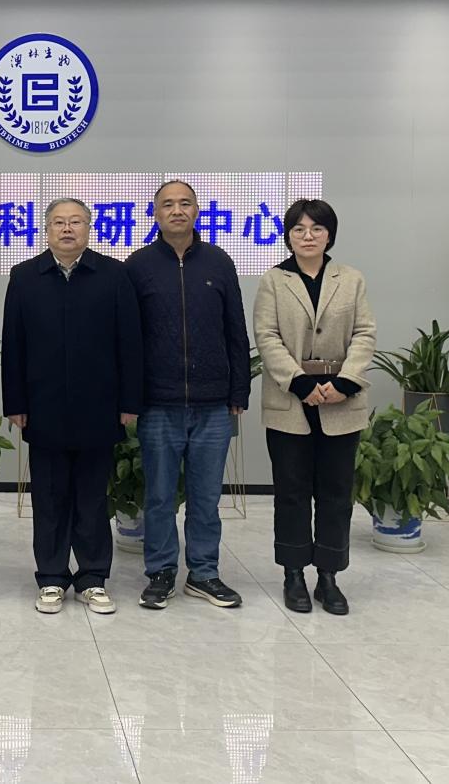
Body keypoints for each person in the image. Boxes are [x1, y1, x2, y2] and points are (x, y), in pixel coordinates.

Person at [2, 198, 143, 616]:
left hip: (99, 406)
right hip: (42, 406)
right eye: (59, 223)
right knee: (49, 497)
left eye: (76, 222)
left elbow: (129, 343)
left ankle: (93, 578)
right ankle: (51, 577)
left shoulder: (114, 275)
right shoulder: (25, 276)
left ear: (88, 228)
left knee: (93, 498)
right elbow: (14, 346)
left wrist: (129, 402)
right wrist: (15, 402)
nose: (67, 229)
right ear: (46, 230)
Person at [126, 179, 251, 611]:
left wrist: (238, 390)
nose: (176, 210)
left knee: (206, 499)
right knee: (159, 497)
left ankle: (203, 573)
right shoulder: (138, 266)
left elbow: (236, 330)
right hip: (157, 404)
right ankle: (161, 572)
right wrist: (130, 398)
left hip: (213, 403)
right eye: (167, 204)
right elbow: (128, 340)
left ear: (197, 210)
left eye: (185, 203)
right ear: (155, 213)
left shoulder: (219, 261)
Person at [253, 199, 376, 615]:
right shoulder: (274, 280)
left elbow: (364, 333)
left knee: (336, 493)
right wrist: (300, 382)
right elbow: (267, 336)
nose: (308, 236)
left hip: (341, 401)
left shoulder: (351, 279)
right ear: (288, 236)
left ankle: (328, 575)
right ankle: (293, 575)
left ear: (329, 235)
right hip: (290, 400)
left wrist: (346, 381)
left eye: (316, 229)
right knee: (291, 492)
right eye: (299, 229)